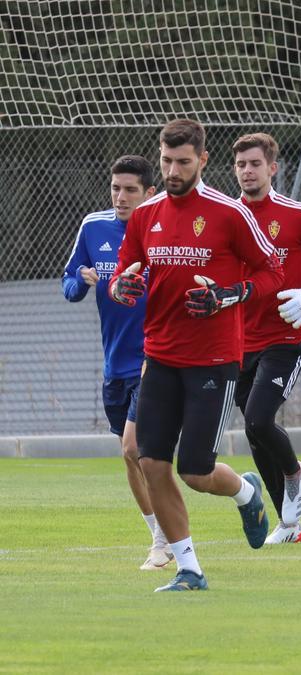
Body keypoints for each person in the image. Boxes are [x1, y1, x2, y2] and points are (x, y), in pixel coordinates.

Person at [109, 118, 284, 591]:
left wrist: (232, 293)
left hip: (213, 360)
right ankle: (190, 569)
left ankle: (246, 492)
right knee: (150, 463)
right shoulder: (147, 215)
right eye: (166, 160)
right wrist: (121, 283)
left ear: (202, 161)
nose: (172, 170)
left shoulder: (230, 213)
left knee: (195, 471)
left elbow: (274, 272)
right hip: (160, 356)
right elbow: (126, 270)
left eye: (182, 162)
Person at [232, 132, 301, 544]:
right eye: (241, 165)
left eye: (255, 164)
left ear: (272, 168)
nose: (248, 171)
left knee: (259, 417)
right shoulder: (229, 215)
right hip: (239, 338)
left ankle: (296, 473)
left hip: (287, 333)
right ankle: (289, 523)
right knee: (253, 428)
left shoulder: (298, 214)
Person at [62, 154, 170, 570]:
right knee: (131, 456)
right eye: (115, 188)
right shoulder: (94, 226)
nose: (120, 197)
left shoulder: (164, 233)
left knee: (135, 446)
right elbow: (69, 282)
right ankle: (237, 492)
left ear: (149, 193)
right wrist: (80, 283)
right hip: (115, 365)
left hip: (155, 357)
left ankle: (163, 542)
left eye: (130, 190)